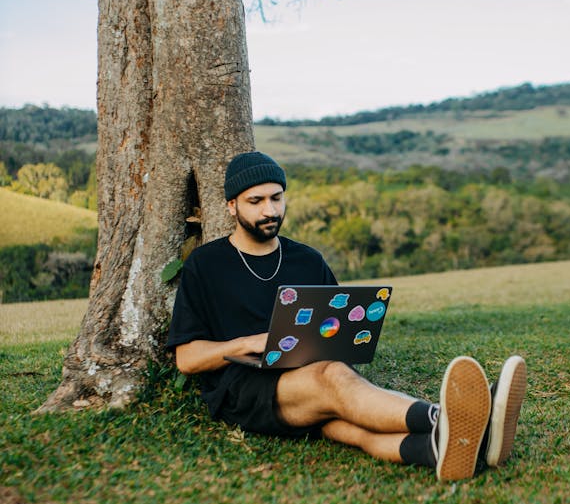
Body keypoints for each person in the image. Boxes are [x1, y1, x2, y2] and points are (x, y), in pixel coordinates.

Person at [167, 151, 527, 482]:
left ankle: (436, 448)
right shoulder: (207, 264)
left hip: (309, 376)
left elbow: (335, 328)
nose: (269, 211)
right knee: (332, 376)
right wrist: (249, 342)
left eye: (276, 198)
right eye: (255, 201)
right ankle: (449, 418)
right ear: (232, 206)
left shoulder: (307, 260)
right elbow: (186, 358)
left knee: (348, 425)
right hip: (246, 388)